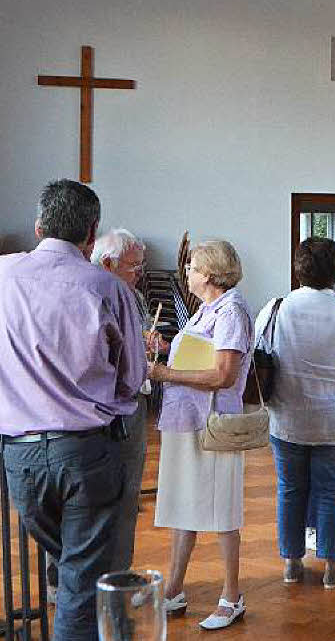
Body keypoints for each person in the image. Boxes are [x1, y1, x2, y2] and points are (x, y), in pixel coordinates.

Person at [0, 180, 146, 641]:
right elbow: (133, 376)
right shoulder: (107, 287)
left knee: (69, 568)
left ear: (39, 226)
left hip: (19, 456)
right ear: (92, 230)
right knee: (82, 582)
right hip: (85, 451)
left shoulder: (2, 276)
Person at [258, 237, 335, 589]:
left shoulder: (277, 307)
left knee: (290, 489)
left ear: (298, 269)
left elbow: (258, 350)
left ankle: (292, 563)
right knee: (330, 492)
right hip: (334, 420)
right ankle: (332, 567)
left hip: (287, 417)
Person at [149, 239, 254, 630]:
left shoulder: (232, 311)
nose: (187, 272)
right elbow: (200, 352)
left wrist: (164, 373)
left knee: (221, 508)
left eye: (192, 267)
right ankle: (174, 588)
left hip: (212, 424)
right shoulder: (208, 310)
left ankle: (232, 594)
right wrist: (163, 347)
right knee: (183, 504)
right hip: (187, 420)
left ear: (209, 274)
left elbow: (223, 375)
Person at [91, 228, 169, 573]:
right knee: (92, 499)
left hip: (131, 403)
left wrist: (149, 342)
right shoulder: (91, 291)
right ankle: (76, 580)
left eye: (141, 264)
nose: (139, 272)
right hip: (104, 405)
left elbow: (137, 342)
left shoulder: (132, 294)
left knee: (126, 495)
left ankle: (119, 573)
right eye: (133, 266)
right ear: (108, 264)